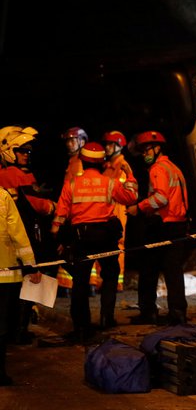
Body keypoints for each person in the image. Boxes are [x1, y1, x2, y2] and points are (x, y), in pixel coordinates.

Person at [51, 142, 138, 339]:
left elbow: (59, 218)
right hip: (106, 237)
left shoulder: (71, 185)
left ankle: (81, 326)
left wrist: (58, 239)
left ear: (81, 161)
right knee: (110, 275)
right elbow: (131, 196)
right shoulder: (109, 183)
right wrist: (130, 175)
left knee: (80, 282)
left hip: (81, 238)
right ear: (102, 163)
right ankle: (107, 318)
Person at [0, 126, 56, 345]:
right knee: (25, 286)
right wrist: (53, 207)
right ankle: (19, 330)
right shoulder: (15, 175)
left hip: (10, 246)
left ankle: (16, 329)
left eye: (28, 152)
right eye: (22, 150)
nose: (26, 155)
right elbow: (36, 205)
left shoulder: (5, 175)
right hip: (22, 240)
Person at [126, 131, 189, 326]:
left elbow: (161, 198)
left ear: (157, 148)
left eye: (147, 149)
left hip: (162, 224)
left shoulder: (158, 169)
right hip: (179, 223)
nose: (145, 154)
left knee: (148, 269)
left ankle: (148, 312)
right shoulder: (174, 168)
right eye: (143, 150)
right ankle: (178, 313)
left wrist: (139, 207)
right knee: (174, 272)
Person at [0, 186, 42, 385]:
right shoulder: (2, 197)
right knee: (1, 325)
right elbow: (18, 234)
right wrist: (30, 265)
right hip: (5, 275)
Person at [91, 130, 133, 292]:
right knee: (104, 246)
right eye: (106, 144)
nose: (106, 147)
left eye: (110, 144)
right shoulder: (108, 166)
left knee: (118, 245)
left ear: (118, 146)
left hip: (118, 210)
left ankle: (117, 282)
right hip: (106, 211)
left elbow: (120, 190)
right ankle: (103, 281)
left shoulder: (122, 166)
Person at [56, 127, 88, 292]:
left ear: (82, 141)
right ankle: (76, 285)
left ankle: (78, 286)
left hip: (77, 213)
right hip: (73, 213)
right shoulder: (73, 162)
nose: (69, 144)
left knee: (75, 250)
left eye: (72, 140)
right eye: (67, 141)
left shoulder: (79, 163)